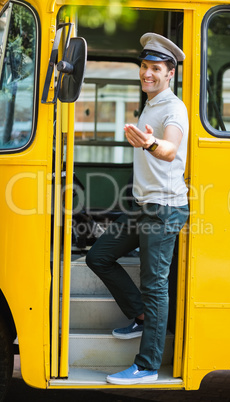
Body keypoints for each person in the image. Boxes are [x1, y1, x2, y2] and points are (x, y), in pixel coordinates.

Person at [86, 32, 189, 385]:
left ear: (170, 73)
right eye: (144, 66)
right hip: (143, 206)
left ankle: (146, 367)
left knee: (155, 285)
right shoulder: (151, 102)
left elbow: (171, 148)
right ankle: (141, 315)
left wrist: (151, 143)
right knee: (98, 256)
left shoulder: (174, 108)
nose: (147, 73)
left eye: (155, 68)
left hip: (163, 209)